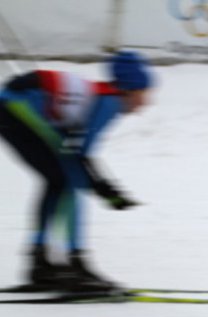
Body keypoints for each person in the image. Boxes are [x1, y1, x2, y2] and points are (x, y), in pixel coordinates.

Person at [0, 50, 153, 291]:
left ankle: (41, 263)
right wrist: (104, 188)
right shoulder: (110, 102)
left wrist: (103, 186)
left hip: (12, 106)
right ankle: (75, 264)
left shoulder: (103, 96)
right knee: (69, 183)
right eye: (144, 93)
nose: (146, 102)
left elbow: (78, 152)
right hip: (16, 106)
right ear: (130, 89)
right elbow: (81, 155)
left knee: (60, 181)